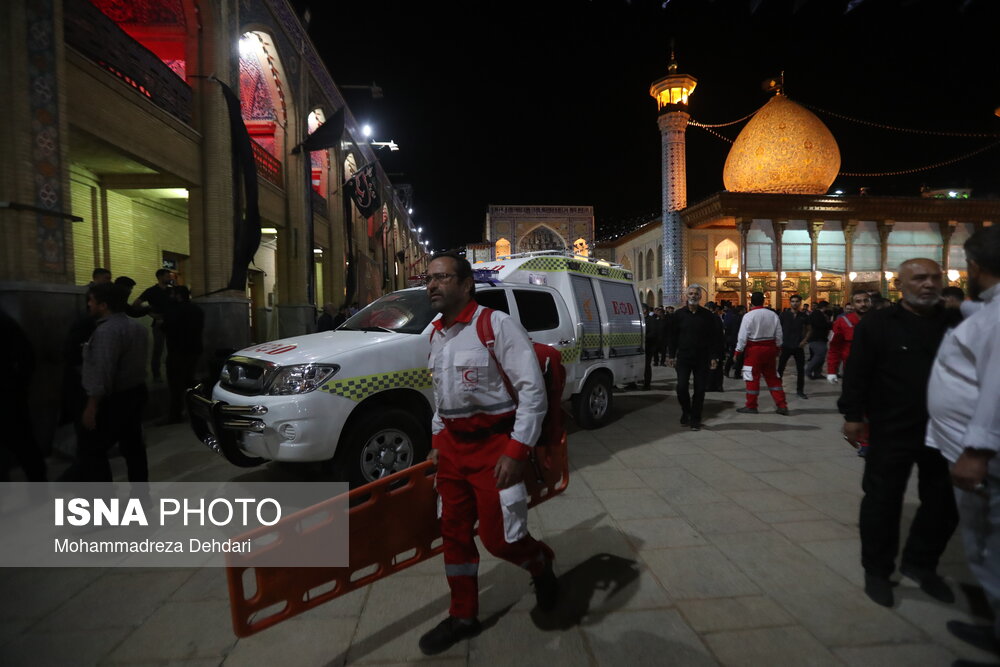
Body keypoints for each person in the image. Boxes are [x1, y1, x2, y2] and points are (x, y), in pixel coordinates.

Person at [419, 252, 557, 655]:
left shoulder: (495, 326)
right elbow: (442, 399)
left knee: (500, 540)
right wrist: (435, 443)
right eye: (429, 278)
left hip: (496, 448)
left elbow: (532, 392)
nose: (432, 285)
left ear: (466, 285)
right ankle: (463, 614)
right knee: (454, 535)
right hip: (452, 452)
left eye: (442, 278)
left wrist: (516, 451)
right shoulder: (434, 334)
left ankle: (541, 563)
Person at [840, 258, 960, 608]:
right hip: (892, 427)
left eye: (934, 278)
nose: (928, 284)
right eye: (919, 278)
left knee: (943, 501)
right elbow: (858, 370)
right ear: (900, 284)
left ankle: (921, 563)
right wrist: (853, 415)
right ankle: (877, 571)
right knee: (882, 500)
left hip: (944, 429)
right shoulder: (878, 324)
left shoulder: (955, 322)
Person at [925, 227, 1000, 654]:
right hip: (976, 450)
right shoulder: (989, 310)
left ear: (974, 266)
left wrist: (975, 451)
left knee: (990, 545)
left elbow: (996, 387)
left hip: (984, 456)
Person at [62, 282, 150, 482]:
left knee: (92, 450)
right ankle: (141, 497)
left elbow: (102, 371)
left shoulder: (106, 332)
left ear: (103, 305)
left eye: (91, 301)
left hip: (115, 400)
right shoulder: (136, 327)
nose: (89, 305)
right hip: (135, 393)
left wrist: (91, 407)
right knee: (133, 447)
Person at [666, 285, 724, 430]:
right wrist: (671, 355)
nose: (693, 296)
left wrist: (714, 357)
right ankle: (686, 411)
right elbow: (673, 337)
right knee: (681, 387)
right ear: (686, 296)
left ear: (700, 296)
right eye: (690, 294)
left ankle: (695, 419)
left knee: (700, 390)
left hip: (702, 358)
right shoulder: (679, 315)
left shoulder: (708, 316)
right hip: (684, 357)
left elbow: (714, 338)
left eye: (696, 294)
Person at [0, 308, 47, 481]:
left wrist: (15, 386)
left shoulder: (4, 322)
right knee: (23, 442)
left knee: (22, 442)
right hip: (11, 392)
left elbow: (26, 358)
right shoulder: (7, 321)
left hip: (7, 395)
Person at [734, 291, 789, 415]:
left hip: (753, 351)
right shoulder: (773, 315)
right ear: (763, 301)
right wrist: (778, 348)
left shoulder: (748, 316)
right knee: (773, 378)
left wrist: (738, 351)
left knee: (752, 378)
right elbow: (779, 334)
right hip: (770, 350)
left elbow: (742, 337)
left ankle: (751, 405)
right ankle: (782, 405)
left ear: (751, 302)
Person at [163, 286, 204, 423]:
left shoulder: (175, 311)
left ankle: (175, 415)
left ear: (178, 295)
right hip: (194, 350)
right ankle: (195, 411)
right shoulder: (197, 310)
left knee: (175, 385)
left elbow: (168, 328)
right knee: (189, 381)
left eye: (172, 294)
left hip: (178, 351)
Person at [132, 269, 175, 382]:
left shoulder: (172, 291)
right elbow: (136, 304)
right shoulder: (151, 291)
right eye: (167, 276)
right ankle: (156, 374)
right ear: (160, 277)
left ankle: (172, 372)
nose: (170, 278)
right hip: (159, 322)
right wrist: (151, 313)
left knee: (172, 348)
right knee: (158, 349)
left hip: (172, 322)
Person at [827, 290, 871, 382]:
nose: (863, 304)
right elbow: (834, 348)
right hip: (852, 370)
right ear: (853, 304)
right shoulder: (842, 322)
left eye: (866, 300)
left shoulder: (879, 320)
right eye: (858, 301)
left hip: (877, 369)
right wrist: (832, 371)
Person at [777, 294, 811, 399]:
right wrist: (779, 342)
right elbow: (778, 329)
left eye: (797, 301)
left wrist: (804, 341)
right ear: (790, 302)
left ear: (800, 303)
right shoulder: (784, 315)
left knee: (800, 370)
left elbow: (809, 329)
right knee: (780, 369)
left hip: (798, 346)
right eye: (793, 301)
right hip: (786, 345)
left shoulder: (804, 316)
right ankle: (777, 389)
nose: (795, 303)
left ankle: (800, 390)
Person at [805, 301, 831, 380]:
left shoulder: (820, 314)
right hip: (816, 338)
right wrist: (830, 325)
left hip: (821, 338)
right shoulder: (817, 314)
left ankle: (817, 373)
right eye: (827, 307)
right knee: (819, 355)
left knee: (822, 356)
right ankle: (808, 370)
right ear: (824, 307)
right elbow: (819, 325)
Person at [723, 305, 746, 378]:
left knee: (732, 355)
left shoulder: (732, 318)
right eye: (744, 310)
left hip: (732, 339)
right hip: (738, 339)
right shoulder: (741, 319)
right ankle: (737, 373)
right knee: (740, 357)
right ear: (740, 311)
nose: (745, 311)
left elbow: (727, 328)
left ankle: (727, 370)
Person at [642, 304, 657, 390]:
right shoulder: (640, 319)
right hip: (640, 346)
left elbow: (653, 333)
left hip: (648, 346)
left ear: (645, 310)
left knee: (646, 365)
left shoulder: (651, 320)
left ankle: (647, 384)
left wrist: (643, 338)